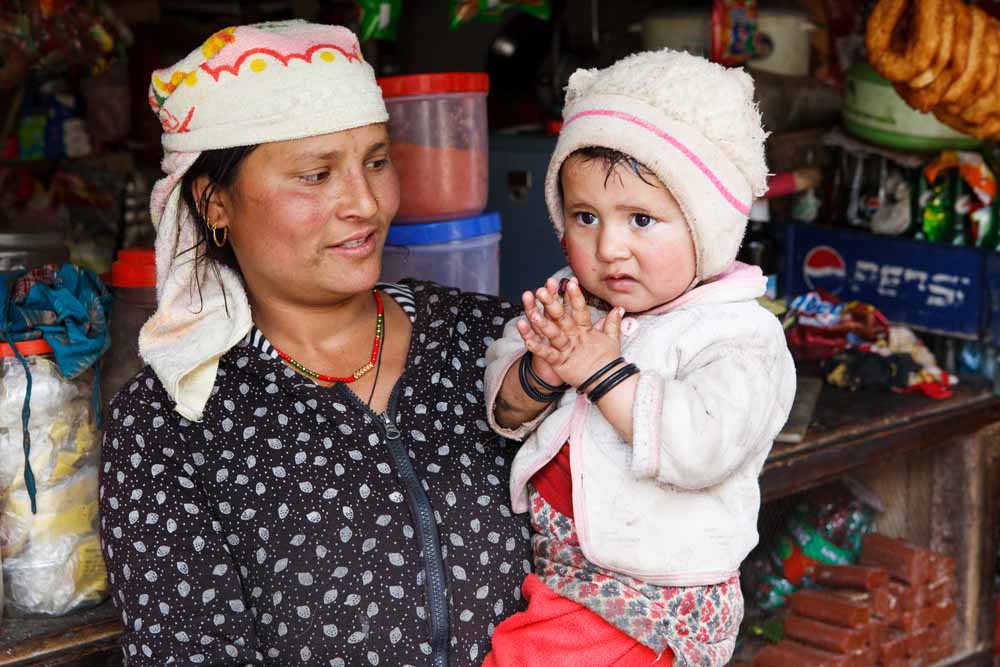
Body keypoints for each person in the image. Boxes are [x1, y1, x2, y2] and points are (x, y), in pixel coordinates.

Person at [98, 21, 532, 666]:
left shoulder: (492, 345)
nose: (364, 202)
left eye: (376, 162)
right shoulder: (170, 423)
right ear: (215, 202)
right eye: (315, 175)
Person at [482, 50, 797, 667]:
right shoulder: (576, 304)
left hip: (653, 595)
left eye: (642, 219)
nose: (609, 246)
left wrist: (600, 373)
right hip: (566, 572)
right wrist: (543, 368)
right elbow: (505, 405)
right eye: (585, 217)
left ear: (706, 227)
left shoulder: (738, 335)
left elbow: (700, 445)